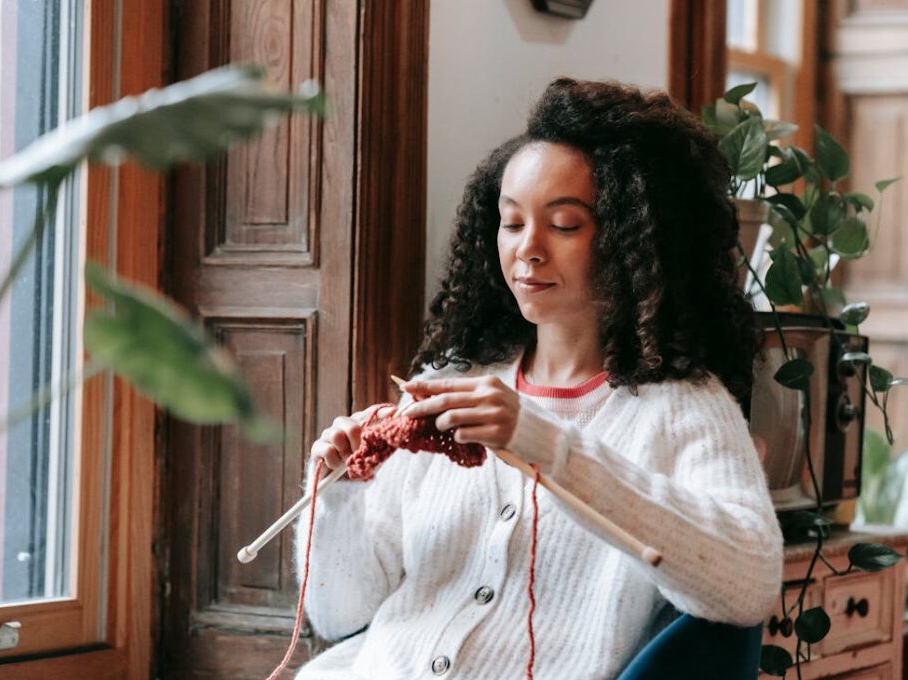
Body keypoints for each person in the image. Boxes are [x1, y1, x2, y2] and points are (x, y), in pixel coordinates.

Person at [291, 77, 784, 680]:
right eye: (511, 222)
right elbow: (339, 617)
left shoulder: (682, 410)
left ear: (636, 239)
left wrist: (543, 442)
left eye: (565, 224)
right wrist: (338, 495)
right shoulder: (451, 385)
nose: (528, 249)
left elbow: (750, 582)